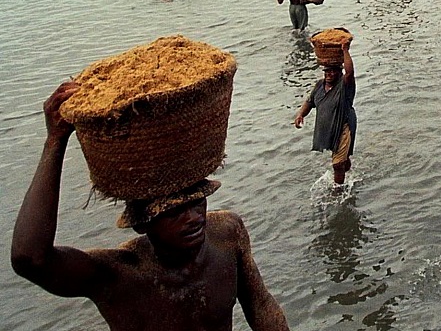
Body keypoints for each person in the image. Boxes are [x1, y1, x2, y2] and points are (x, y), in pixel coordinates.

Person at [10, 81, 290, 330]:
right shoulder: (118, 275)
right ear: (142, 222)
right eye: (173, 212)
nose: (193, 218)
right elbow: (31, 259)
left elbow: (261, 307)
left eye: (197, 203)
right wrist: (55, 141)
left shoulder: (227, 233)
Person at [293, 40, 356, 186]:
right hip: (328, 130)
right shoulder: (320, 85)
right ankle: (346, 165)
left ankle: (338, 191)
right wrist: (300, 114)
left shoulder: (344, 85)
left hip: (343, 127)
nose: (330, 74)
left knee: (337, 165)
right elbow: (310, 102)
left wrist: (345, 50)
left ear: (339, 72)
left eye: (334, 71)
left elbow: (350, 73)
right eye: (327, 71)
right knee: (342, 161)